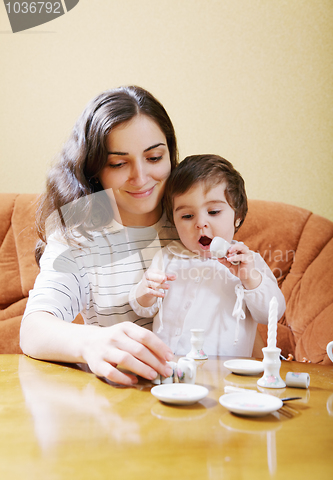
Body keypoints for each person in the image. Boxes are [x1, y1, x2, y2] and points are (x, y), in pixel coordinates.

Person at [20, 85, 180, 385]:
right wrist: (92, 342)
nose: (142, 177)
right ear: (94, 170)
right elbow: (33, 329)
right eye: (119, 163)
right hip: (123, 403)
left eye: (155, 158)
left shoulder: (195, 219)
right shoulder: (79, 237)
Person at [129, 154, 286, 356]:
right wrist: (146, 292)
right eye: (187, 216)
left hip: (226, 373)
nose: (200, 223)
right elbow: (142, 310)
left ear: (237, 217)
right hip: (169, 367)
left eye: (213, 212)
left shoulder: (248, 263)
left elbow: (271, 314)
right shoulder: (168, 257)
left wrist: (250, 278)